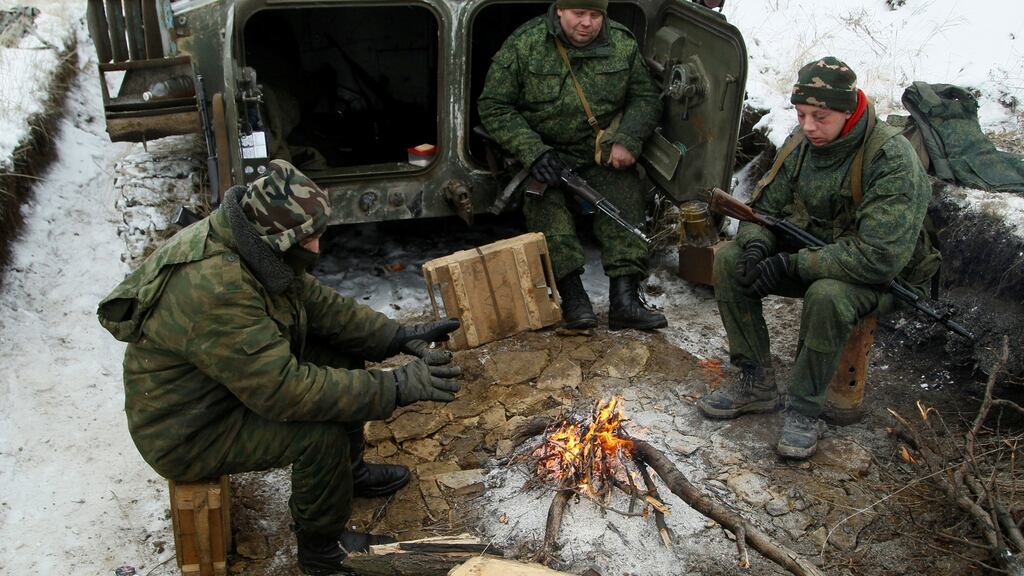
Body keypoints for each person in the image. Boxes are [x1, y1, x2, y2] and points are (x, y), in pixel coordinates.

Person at [97, 159, 463, 575]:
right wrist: (396, 386)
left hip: (221, 391)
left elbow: (319, 306)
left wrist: (394, 336)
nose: (319, 248)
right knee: (317, 433)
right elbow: (284, 393)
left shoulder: (249, 244)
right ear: (280, 241)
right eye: (311, 239)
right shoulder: (217, 287)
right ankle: (323, 550)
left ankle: (348, 473)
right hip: (188, 429)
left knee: (339, 353)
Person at [697, 57, 940, 459]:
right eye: (801, 114)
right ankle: (755, 380)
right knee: (729, 261)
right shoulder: (802, 142)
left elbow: (878, 257)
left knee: (827, 295)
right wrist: (758, 244)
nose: (808, 126)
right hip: (818, 250)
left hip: (881, 275)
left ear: (849, 110)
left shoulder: (891, 160)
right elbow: (764, 207)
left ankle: (804, 410)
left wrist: (790, 264)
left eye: (820, 116)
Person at [477, 0, 666, 331]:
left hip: (596, 152)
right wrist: (533, 151)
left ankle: (625, 299)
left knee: (624, 197)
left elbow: (645, 97)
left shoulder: (621, 42)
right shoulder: (526, 43)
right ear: (560, 10)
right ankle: (573, 298)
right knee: (545, 207)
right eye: (579, 14)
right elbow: (493, 106)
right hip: (543, 153)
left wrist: (628, 139)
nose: (587, 23)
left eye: (595, 15)